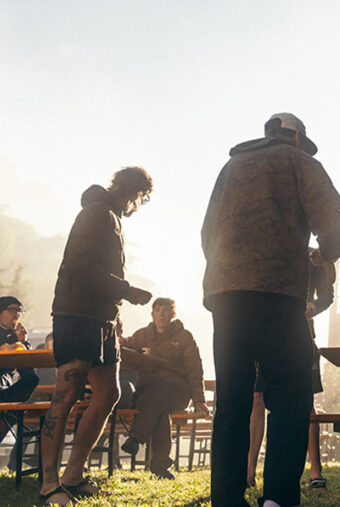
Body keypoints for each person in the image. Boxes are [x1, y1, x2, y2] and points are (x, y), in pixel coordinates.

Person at [202, 112, 340, 507]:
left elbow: (207, 233)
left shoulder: (230, 167)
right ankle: (278, 498)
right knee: (291, 395)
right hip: (277, 289)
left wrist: (227, 273)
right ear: (295, 136)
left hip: (225, 292)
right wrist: (327, 253)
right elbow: (329, 218)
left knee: (232, 399)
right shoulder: (298, 160)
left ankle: (227, 499)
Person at [39, 167, 154, 506]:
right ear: (133, 192)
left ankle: (73, 475)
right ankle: (49, 484)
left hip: (102, 319)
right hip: (77, 316)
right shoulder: (96, 213)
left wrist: (116, 314)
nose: (139, 206)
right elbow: (81, 266)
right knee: (66, 394)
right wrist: (127, 290)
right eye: (142, 198)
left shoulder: (110, 216)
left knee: (109, 393)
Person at [246, 248, 335, 490]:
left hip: (300, 335)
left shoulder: (313, 256)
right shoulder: (266, 247)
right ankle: (249, 470)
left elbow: (327, 294)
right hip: (265, 335)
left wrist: (313, 307)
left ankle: (315, 471)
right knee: (257, 397)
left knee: (305, 400)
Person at [118, 297, 209, 479]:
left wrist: (199, 400)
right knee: (160, 406)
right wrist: (123, 343)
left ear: (173, 314)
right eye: (158, 310)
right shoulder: (142, 335)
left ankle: (136, 437)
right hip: (149, 391)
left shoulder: (184, 337)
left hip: (177, 389)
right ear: (152, 314)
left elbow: (194, 369)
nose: (161, 314)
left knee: (161, 390)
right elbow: (127, 346)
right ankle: (160, 466)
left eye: (166, 310)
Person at [0, 297, 40, 443]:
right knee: (13, 410)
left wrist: (24, 343)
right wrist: (14, 340)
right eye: (12, 309)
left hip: (5, 390)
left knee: (32, 379)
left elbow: (28, 370)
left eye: (20, 311)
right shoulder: (8, 336)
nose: (16, 314)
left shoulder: (17, 338)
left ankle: (3, 425)